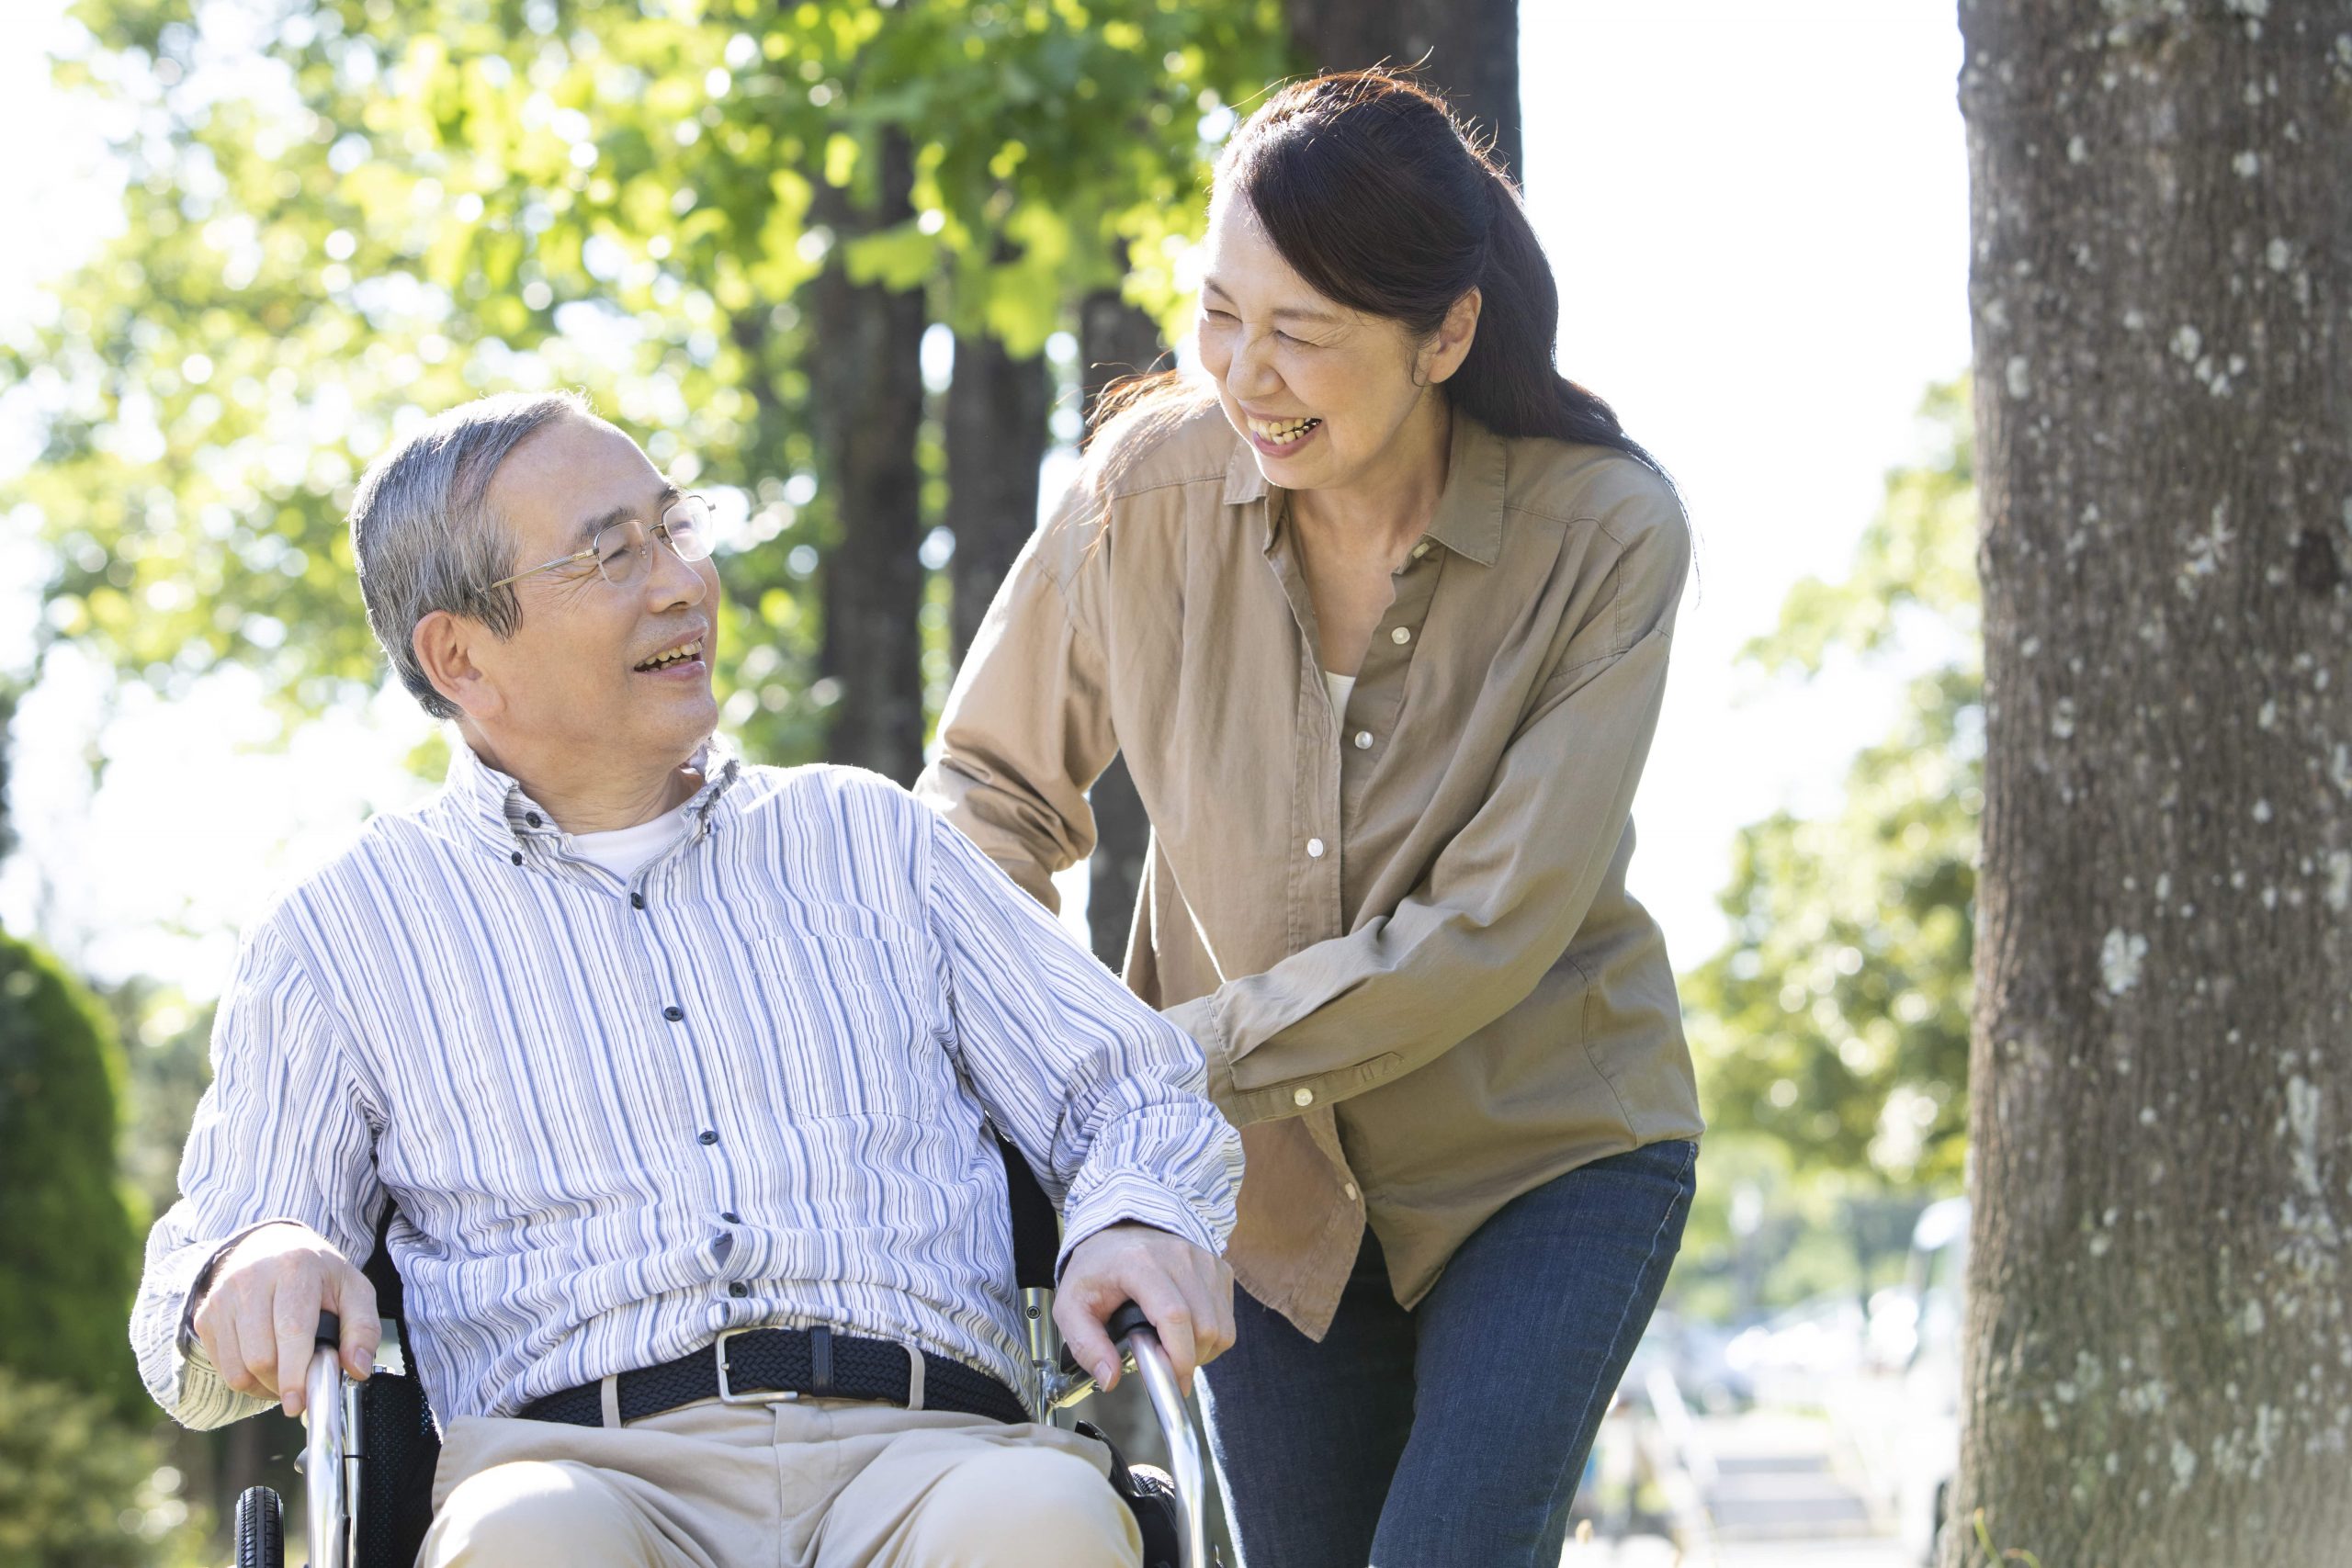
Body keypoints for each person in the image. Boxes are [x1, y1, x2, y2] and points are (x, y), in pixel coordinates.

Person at [130, 390, 1242, 1568]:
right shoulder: (341, 935)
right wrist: (253, 1259)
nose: (680, 584)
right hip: (575, 1476)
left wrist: (1132, 1215)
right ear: (460, 655)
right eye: (611, 554)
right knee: (525, 1547)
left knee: (1046, 1523)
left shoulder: (872, 842)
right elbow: (191, 1328)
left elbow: (1131, 1085)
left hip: (932, 1456)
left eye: (673, 529)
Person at [918, 70, 1699, 1568]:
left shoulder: (1605, 534)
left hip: (1543, 1154)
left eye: (1302, 334)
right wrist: (995, 1029)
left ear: (1445, 336)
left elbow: (1479, 936)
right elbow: (987, 791)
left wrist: (1142, 1063)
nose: (1244, 374)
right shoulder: (1140, 491)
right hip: (1257, 1197)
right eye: (1219, 314)